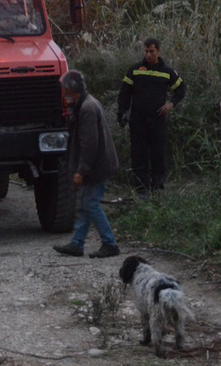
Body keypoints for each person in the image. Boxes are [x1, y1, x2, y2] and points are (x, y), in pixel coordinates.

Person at [53, 69, 121, 259]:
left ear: (70, 89)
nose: (63, 94)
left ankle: (110, 244)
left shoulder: (87, 109)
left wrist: (80, 171)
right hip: (97, 165)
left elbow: (89, 144)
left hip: (97, 167)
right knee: (84, 204)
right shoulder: (87, 104)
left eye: (64, 89)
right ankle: (77, 244)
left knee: (91, 204)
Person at [117, 37, 187, 193]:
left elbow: (181, 89)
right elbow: (125, 93)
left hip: (157, 120)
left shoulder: (167, 72)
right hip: (138, 120)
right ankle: (141, 189)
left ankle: (158, 187)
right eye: (146, 51)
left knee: (158, 153)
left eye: (152, 51)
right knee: (138, 154)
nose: (148, 55)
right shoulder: (135, 70)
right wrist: (122, 112)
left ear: (159, 51)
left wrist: (171, 104)